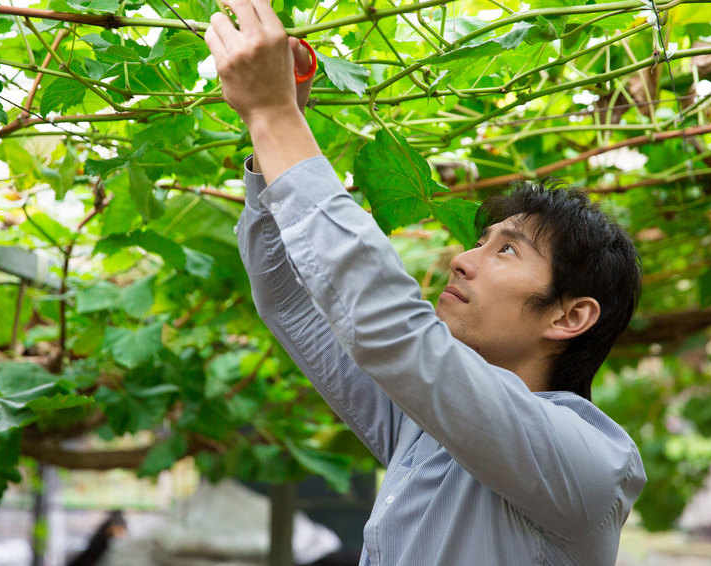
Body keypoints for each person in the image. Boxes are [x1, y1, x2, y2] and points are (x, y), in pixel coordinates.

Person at [205, 1, 646, 563]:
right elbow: (291, 301)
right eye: (480, 242)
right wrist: (270, 135)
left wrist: (275, 116)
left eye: (506, 249)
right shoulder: (425, 429)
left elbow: (392, 330)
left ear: (569, 316)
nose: (462, 259)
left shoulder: (585, 464)